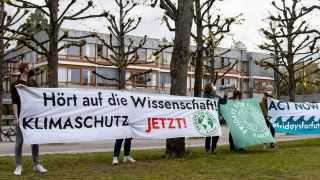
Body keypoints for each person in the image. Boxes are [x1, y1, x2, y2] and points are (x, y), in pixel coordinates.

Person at [11, 62, 47, 176]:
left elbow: (37, 95)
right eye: (31, 67)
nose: (33, 68)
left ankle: (37, 164)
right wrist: (17, 118)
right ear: (25, 69)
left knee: (35, 141)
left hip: (32, 116)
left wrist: (25, 88)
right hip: (21, 116)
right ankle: (18, 166)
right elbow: (15, 102)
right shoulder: (14, 84)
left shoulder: (33, 82)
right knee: (19, 143)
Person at [112, 80, 136, 165]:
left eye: (130, 84)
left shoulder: (134, 95)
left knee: (128, 139)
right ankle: (115, 157)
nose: (129, 86)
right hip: (121, 120)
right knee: (119, 139)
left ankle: (126, 156)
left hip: (130, 121)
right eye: (127, 84)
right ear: (124, 85)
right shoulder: (121, 94)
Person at [203, 83, 228, 155]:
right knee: (209, 135)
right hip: (209, 118)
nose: (214, 86)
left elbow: (224, 101)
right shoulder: (205, 96)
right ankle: (207, 150)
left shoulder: (216, 96)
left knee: (216, 134)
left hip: (217, 118)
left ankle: (213, 148)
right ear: (208, 88)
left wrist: (225, 94)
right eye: (212, 86)